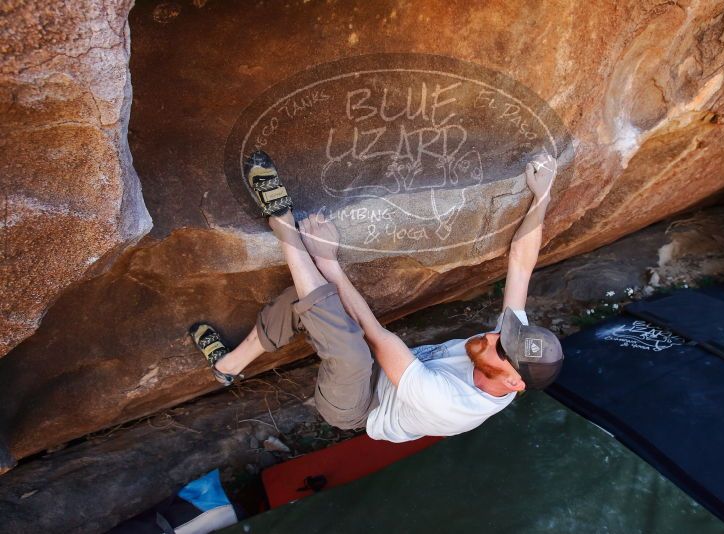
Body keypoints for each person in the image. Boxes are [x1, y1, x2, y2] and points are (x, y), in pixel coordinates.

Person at [190, 151, 563, 442]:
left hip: (360, 408)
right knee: (311, 298)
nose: (494, 336)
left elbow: (376, 336)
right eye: (507, 334)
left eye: (501, 349)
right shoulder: (513, 351)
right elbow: (521, 265)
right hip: (387, 371)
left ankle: (282, 222)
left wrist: (329, 262)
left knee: (349, 347)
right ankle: (227, 367)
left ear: (514, 384)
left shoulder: (452, 405)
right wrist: (543, 194)